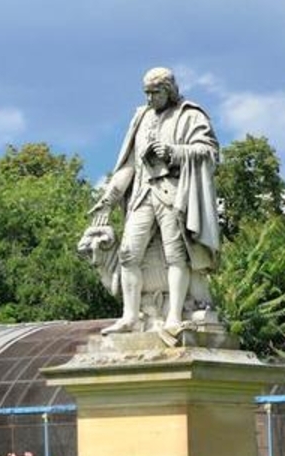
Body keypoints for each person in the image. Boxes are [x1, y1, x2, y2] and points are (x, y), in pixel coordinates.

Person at [94, 67, 220, 337]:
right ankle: (130, 315)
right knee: (128, 253)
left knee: (177, 256)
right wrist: (109, 199)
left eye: (155, 92)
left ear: (169, 90)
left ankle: (174, 316)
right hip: (141, 193)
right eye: (146, 93)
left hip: (172, 193)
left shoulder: (189, 114)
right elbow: (129, 165)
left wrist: (173, 152)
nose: (150, 98)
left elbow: (209, 152)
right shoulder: (141, 117)